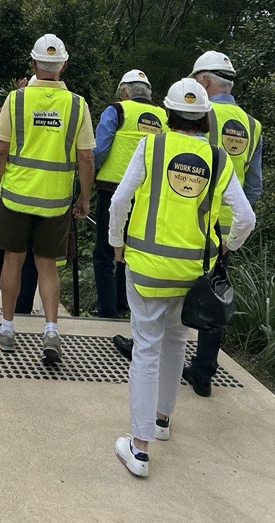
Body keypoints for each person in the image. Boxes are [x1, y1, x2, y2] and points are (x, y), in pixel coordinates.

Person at [109, 78, 256, 478]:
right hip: (193, 272)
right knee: (176, 340)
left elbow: (121, 200)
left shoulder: (151, 147)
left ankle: (139, 450)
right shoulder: (219, 158)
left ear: (168, 113)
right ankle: (161, 420)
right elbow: (245, 218)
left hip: (145, 267)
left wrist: (115, 243)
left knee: (146, 348)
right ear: (206, 117)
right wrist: (228, 246)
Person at [0, 34, 95, 365]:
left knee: (13, 260)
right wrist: (84, 199)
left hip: (17, 197)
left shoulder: (16, 101)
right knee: (47, 264)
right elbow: (87, 157)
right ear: (63, 65)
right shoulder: (77, 105)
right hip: (56, 200)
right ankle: (50, 331)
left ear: (33, 64)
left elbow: (0, 149)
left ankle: (7, 328)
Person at [182, 50, 262, 397]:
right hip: (229, 229)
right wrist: (233, 231)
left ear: (203, 81)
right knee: (213, 295)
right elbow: (254, 185)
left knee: (173, 286)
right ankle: (203, 371)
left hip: (194, 219)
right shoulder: (252, 125)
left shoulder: (201, 115)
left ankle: (155, 352)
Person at [94, 70, 167, 323]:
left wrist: (89, 175)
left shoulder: (116, 111)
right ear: (148, 93)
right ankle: (126, 307)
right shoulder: (164, 116)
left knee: (105, 252)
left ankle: (107, 311)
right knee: (133, 251)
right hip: (148, 195)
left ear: (125, 92)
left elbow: (100, 149)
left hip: (112, 191)